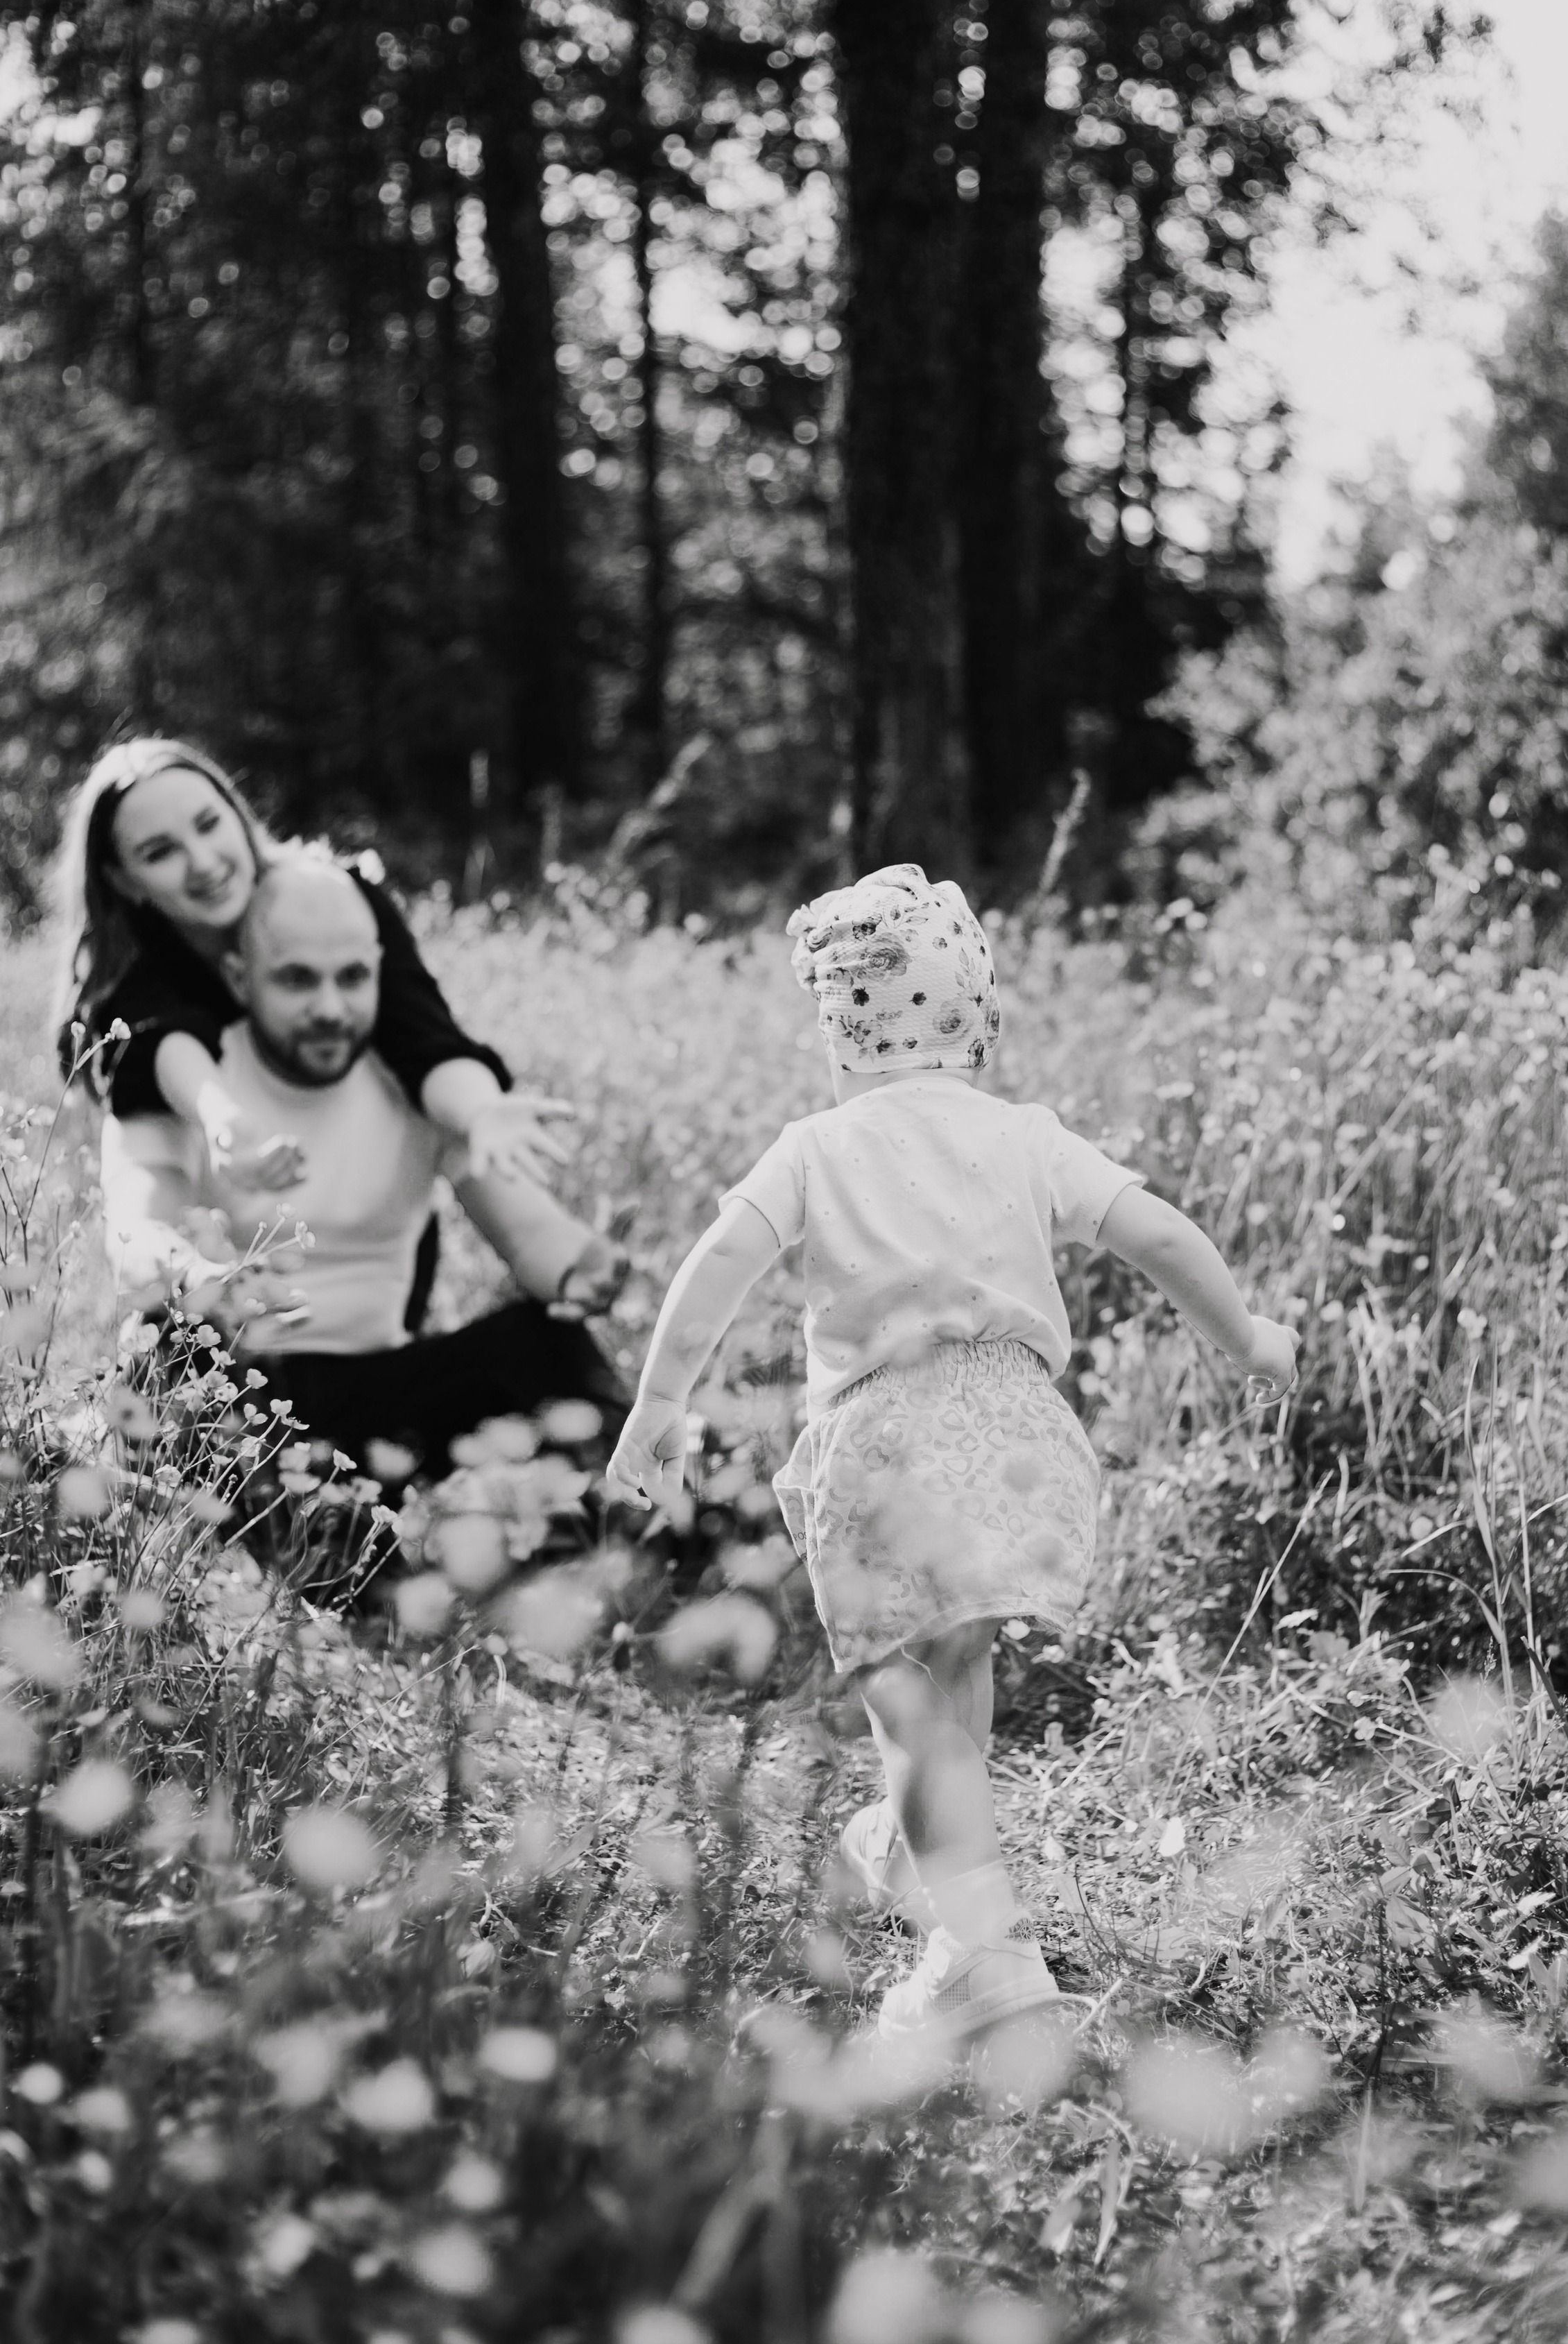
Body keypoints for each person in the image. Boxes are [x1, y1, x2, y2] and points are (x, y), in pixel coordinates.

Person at [605, 862, 1299, 2050]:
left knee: (901, 1692)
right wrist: (1247, 1336)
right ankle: (907, 1842)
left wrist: (660, 1401)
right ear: (981, 1027)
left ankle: (982, 1952)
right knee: (954, 1658)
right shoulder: (1025, 1136)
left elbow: (720, 1262)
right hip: (1021, 1436)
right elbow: (1159, 1233)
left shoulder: (817, 1147)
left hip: (887, 1445)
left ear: (838, 1039)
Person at [101, 857, 629, 1481]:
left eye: (352, 978)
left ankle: (640, 1512)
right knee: (161, 1340)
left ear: (381, 969)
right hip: (230, 1382)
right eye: (297, 980)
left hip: (379, 1396)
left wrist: (579, 1270)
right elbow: (134, 1236)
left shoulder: (421, 1084)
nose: (330, 1008)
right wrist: (204, 1279)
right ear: (241, 979)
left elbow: (528, 1232)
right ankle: (194, 1513)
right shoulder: (190, 1082)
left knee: (545, 1345)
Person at [54, 739, 564, 1233]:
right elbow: (164, 1042)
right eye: (160, 852)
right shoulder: (130, 978)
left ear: (238, 815)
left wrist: (481, 1110)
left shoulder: (337, 899)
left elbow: (423, 1034)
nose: (204, 863)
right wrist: (224, 1120)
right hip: (234, 1252)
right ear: (122, 880)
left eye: (209, 824)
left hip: (378, 1237)